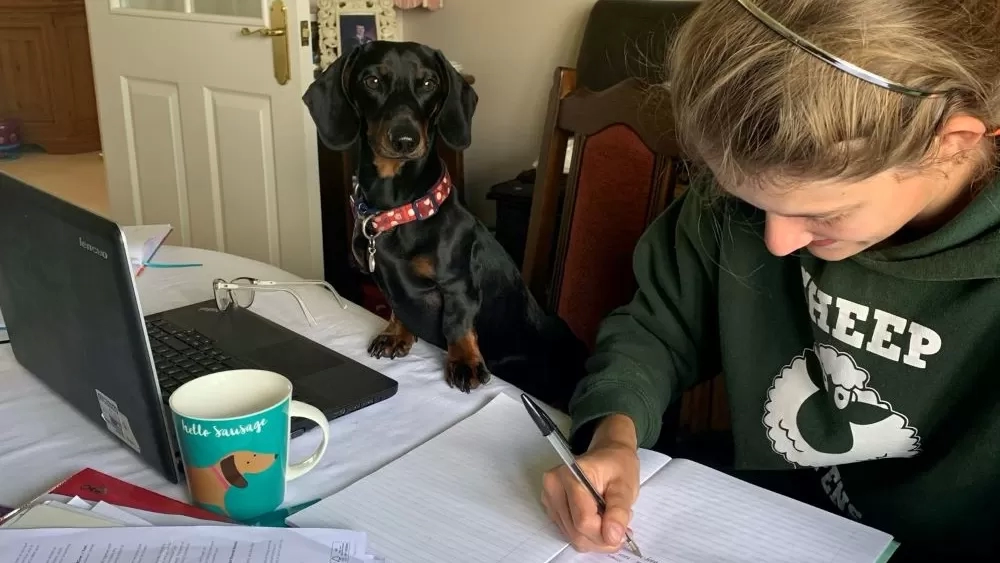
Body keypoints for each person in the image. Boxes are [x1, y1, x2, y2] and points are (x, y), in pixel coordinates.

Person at [540, 0, 1000, 560]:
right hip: (762, 517)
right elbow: (660, 326)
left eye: (824, 213)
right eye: (749, 203)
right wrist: (615, 432)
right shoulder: (754, 191)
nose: (777, 243)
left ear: (951, 144)